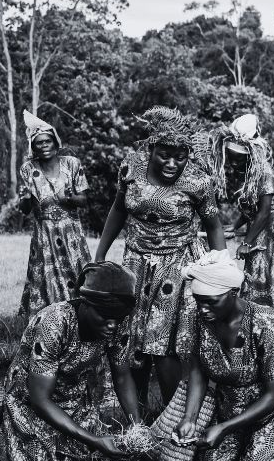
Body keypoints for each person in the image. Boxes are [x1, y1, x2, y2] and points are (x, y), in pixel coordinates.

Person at [0, 262, 143, 461]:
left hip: (75, 400)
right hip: (31, 402)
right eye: (105, 317)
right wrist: (96, 440)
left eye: (118, 319)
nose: (112, 325)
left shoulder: (117, 323)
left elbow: (122, 376)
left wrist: (137, 427)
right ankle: (7, 432)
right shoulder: (54, 323)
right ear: (86, 304)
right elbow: (39, 400)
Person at [94, 106, 226, 406]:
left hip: (177, 264)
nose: (171, 163)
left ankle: (170, 416)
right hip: (135, 263)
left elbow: (214, 224)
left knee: (163, 343)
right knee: (131, 341)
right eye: (164, 154)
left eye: (180, 156)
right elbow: (118, 209)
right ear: (150, 148)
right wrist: (101, 254)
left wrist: (221, 267)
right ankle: (136, 417)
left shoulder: (198, 181)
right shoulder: (131, 169)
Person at [169, 255, 274, 461]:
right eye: (198, 301)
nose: (203, 309)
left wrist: (225, 428)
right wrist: (189, 418)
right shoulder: (197, 317)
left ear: (232, 294)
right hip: (234, 403)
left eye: (210, 302)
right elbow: (197, 370)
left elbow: (273, 396)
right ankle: (255, 439)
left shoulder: (265, 322)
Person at [209, 113, 274, 342]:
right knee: (257, 280)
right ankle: (260, 337)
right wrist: (234, 227)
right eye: (231, 155)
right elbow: (251, 210)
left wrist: (246, 242)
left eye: (238, 156)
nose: (234, 161)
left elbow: (264, 212)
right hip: (267, 224)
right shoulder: (247, 173)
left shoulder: (263, 170)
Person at [17, 109, 92, 320]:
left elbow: (83, 200)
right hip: (45, 233)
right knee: (45, 275)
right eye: (38, 143)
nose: (43, 146)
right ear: (33, 147)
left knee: (76, 272)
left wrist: (67, 198)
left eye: (47, 141)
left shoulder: (71, 164)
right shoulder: (28, 169)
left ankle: (79, 315)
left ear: (55, 142)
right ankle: (49, 320)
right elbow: (25, 209)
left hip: (71, 232)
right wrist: (23, 199)